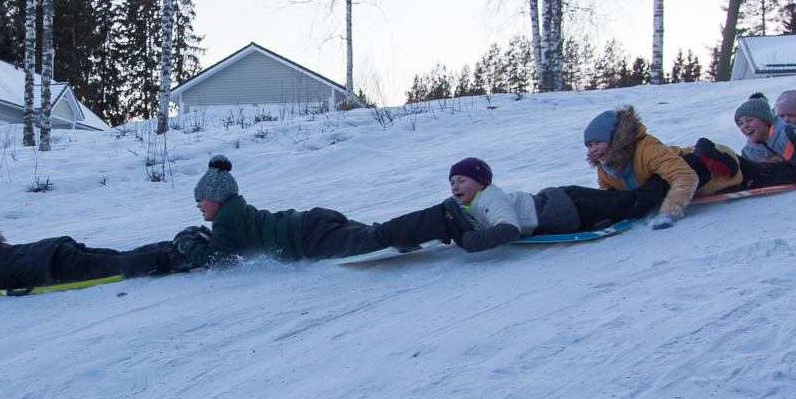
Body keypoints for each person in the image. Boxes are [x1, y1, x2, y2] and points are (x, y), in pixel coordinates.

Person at [175, 155, 462, 267]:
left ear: (218, 198)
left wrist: (187, 244)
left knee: (376, 240)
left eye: (202, 198)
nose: (198, 204)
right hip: (312, 221)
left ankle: (443, 218)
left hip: (310, 236)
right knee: (376, 234)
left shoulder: (226, 220)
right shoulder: (236, 213)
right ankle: (435, 223)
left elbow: (217, 259)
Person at [0, 213, 190, 305]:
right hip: (53, 250)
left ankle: (179, 257)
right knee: (119, 257)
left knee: (118, 266)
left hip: (49, 264)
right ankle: (177, 245)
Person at [439, 157, 669, 252]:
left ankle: (669, 176)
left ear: (481, 184)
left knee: (636, 202)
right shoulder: (473, 205)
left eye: (461, 181)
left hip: (570, 207)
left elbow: (508, 229)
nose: (455, 186)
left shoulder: (490, 198)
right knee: (622, 200)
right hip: (564, 203)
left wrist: (470, 241)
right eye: (452, 182)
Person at [583, 106, 699, 230]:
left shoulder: (648, 149)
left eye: (598, 142)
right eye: (589, 145)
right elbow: (608, 195)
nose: (593, 149)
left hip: (706, 170)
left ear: (613, 139)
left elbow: (684, 176)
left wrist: (669, 212)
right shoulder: (605, 167)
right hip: (661, 187)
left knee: (698, 159)